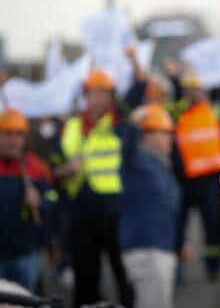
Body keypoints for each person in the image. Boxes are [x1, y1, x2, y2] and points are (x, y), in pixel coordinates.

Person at [55, 69, 134, 307]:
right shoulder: (72, 126)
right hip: (82, 211)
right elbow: (53, 166)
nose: (97, 99)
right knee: (85, 278)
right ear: (85, 95)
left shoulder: (121, 125)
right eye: (92, 93)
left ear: (111, 97)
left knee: (124, 274)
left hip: (116, 211)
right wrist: (64, 169)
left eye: (103, 93)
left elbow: (136, 100)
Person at [120, 104, 182, 308]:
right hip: (146, 252)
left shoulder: (162, 167)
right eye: (164, 133)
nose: (169, 139)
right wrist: (133, 124)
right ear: (147, 136)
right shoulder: (138, 163)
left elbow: (171, 210)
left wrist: (182, 243)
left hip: (163, 250)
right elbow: (127, 150)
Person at [171, 70, 220, 281]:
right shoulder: (179, 112)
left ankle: (213, 267)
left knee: (212, 226)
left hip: (209, 180)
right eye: (188, 90)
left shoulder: (213, 109)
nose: (192, 93)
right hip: (184, 180)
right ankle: (177, 271)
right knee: (178, 225)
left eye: (195, 89)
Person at [0, 109, 57, 292]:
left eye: (19, 135)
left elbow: (53, 200)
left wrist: (40, 202)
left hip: (26, 253)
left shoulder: (36, 167)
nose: (14, 141)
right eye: (8, 134)